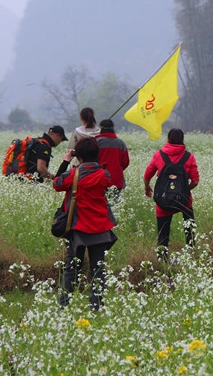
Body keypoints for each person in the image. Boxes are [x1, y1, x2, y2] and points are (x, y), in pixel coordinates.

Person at [53, 137, 117, 310]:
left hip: (77, 229)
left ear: (78, 156)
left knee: (71, 269)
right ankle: (97, 306)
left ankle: (64, 306)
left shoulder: (73, 175)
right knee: (98, 270)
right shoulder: (104, 175)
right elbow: (107, 183)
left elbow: (57, 184)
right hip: (100, 228)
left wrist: (66, 162)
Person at [143, 128, 200, 259]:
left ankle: (162, 260)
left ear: (168, 139)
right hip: (184, 201)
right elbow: (195, 181)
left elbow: (147, 174)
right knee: (189, 230)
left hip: (163, 201)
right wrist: (184, 190)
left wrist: (147, 187)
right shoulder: (189, 157)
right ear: (182, 140)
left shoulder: (158, 155)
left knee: (163, 234)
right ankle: (191, 256)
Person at [96, 119, 130, 204]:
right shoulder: (120, 143)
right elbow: (125, 162)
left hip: (98, 179)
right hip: (116, 180)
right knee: (113, 208)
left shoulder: (96, 142)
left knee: (99, 206)